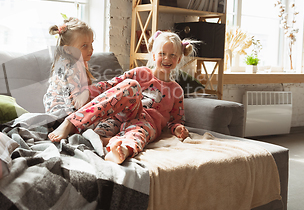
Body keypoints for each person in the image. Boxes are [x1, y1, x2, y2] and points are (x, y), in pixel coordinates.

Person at [48, 30, 194, 164]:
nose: (167, 58)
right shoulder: (140, 72)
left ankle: (120, 150)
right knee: (131, 85)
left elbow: (176, 119)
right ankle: (72, 123)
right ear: (154, 55)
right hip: (120, 114)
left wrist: (177, 128)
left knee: (137, 135)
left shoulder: (177, 90)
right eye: (162, 53)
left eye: (172, 55)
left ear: (179, 58)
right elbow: (112, 86)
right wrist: (87, 93)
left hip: (145, 123)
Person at [43, 17, 95, 117]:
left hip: (71, 107)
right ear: (68, 50)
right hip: (59, 111)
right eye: (84, 45)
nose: (91, 49)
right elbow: (74, 100)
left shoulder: (81, 61)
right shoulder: (69, 67)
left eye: (91, 43)